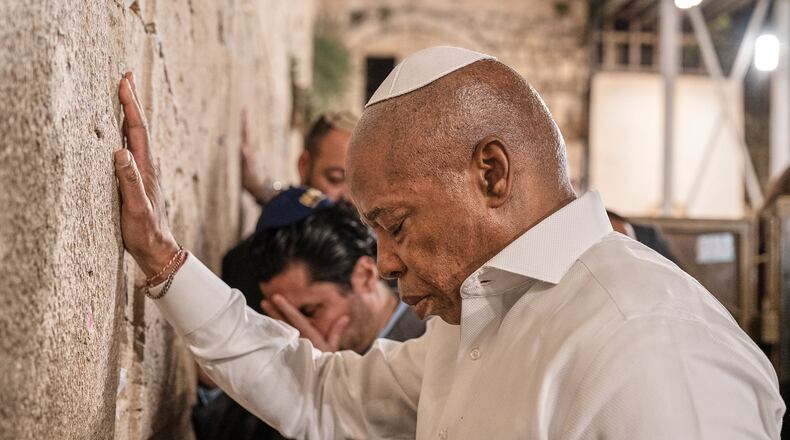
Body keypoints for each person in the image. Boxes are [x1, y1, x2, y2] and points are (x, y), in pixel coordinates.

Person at [113, 46, 784, 439]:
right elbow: (316, 393)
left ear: (490, 173)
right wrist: (165, 262)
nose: (386, 261)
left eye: (395, 225)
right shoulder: (478, 324)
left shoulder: (648, 344)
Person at [193, 187, 424, 440]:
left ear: (365, 276)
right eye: (282, 315)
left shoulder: (429, 345)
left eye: (310, 311)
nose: (296, 329)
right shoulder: (293, 345)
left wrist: (326, 385)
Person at [223, 111, 359, 312]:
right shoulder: (259, 259)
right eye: (335, 178)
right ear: (304, 166)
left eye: (361, 187)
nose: (349, 199)